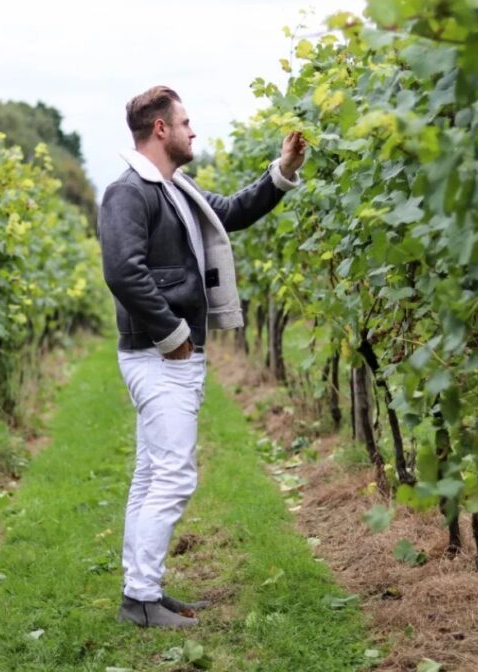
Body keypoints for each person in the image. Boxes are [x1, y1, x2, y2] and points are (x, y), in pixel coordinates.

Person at [98, 85, 306, 628]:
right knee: (173, 477)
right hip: (159, 355)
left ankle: (143, 589)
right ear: (161, 129)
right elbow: (123, 271)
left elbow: (233, 211)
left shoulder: (176, 189)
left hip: (169, 355)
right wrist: (171, 334)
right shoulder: (129, 192)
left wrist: (281, 172)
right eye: (186, 123)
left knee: (151, 475)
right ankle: (139, 599)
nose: (194, 132)